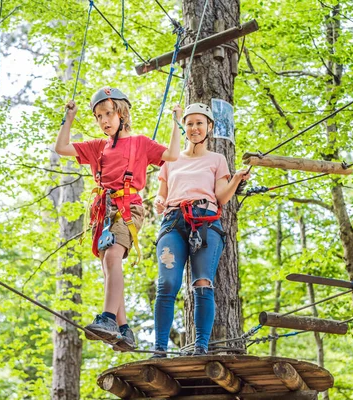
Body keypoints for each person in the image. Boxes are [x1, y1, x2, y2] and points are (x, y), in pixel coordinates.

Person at [55, 87, 182, 351]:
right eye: (99, 116)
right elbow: (62, 148)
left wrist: (176, 123)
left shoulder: (140, 143)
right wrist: (69, 118)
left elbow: (172, 155)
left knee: (112, 258)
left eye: (109, 113)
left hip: (128, 207)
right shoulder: (97, 147)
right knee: (107, 266)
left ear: (122, 113)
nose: (104, 121)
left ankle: (109, 318)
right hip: (104, 210)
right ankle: (124, 330)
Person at [152, 103, 250, 357]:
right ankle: (159, 349)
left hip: (205, 222)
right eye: (190, 123)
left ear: (209, 127)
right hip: (173, 220)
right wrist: (158, 202)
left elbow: (221, 197)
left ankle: (201, 347)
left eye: (199, 123)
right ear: (184, 127)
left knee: (202, 282)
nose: (194, 128)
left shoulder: (217, 159)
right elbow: (160, 197)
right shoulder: (170, 159)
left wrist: (236, 179)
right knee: (167, 284)